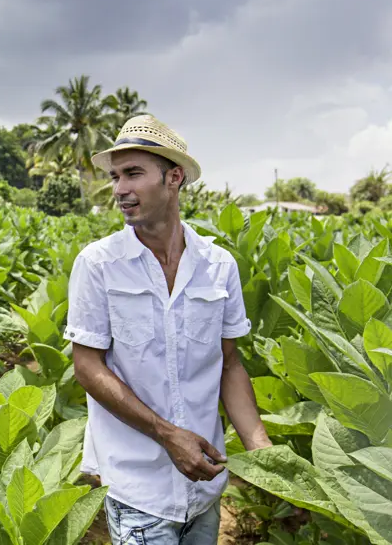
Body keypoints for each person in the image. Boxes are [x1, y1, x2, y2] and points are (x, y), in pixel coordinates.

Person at [64, 114, 272, 545]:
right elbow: (87, 367)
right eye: (116, 176)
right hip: (137, 488)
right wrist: (167, 434)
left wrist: (261, 450)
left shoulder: (219, 266)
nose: (119, 189)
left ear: (174, 177)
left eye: (133, 174)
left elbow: (229, 366)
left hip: (206, 483)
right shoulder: (98, 265)